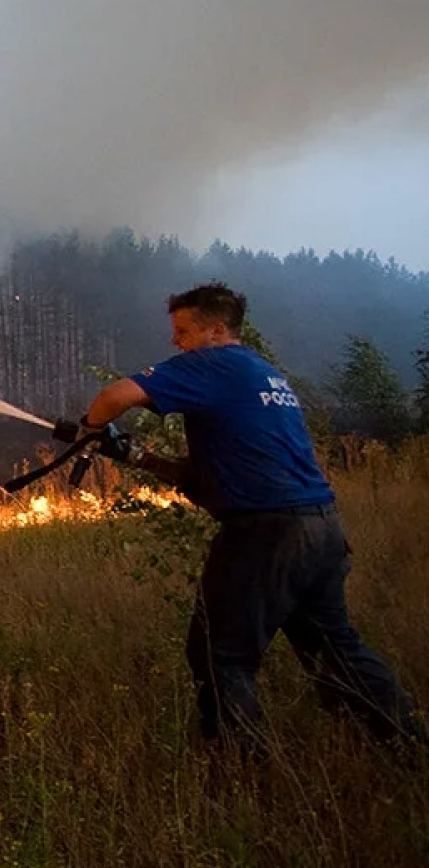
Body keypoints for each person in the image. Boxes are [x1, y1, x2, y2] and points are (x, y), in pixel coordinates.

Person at [80, 282, 423, 748]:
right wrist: (136, 456)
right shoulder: (263, 373)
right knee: (335, 651)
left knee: (220, 656)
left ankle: (241, 772)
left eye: (183, 331)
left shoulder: (213, 363)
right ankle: (409, 746)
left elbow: (113, 396)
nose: (175, 343)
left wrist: (90, 428)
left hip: (267, 533)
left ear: (216, 330)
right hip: (319, 529)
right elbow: (219, 476)